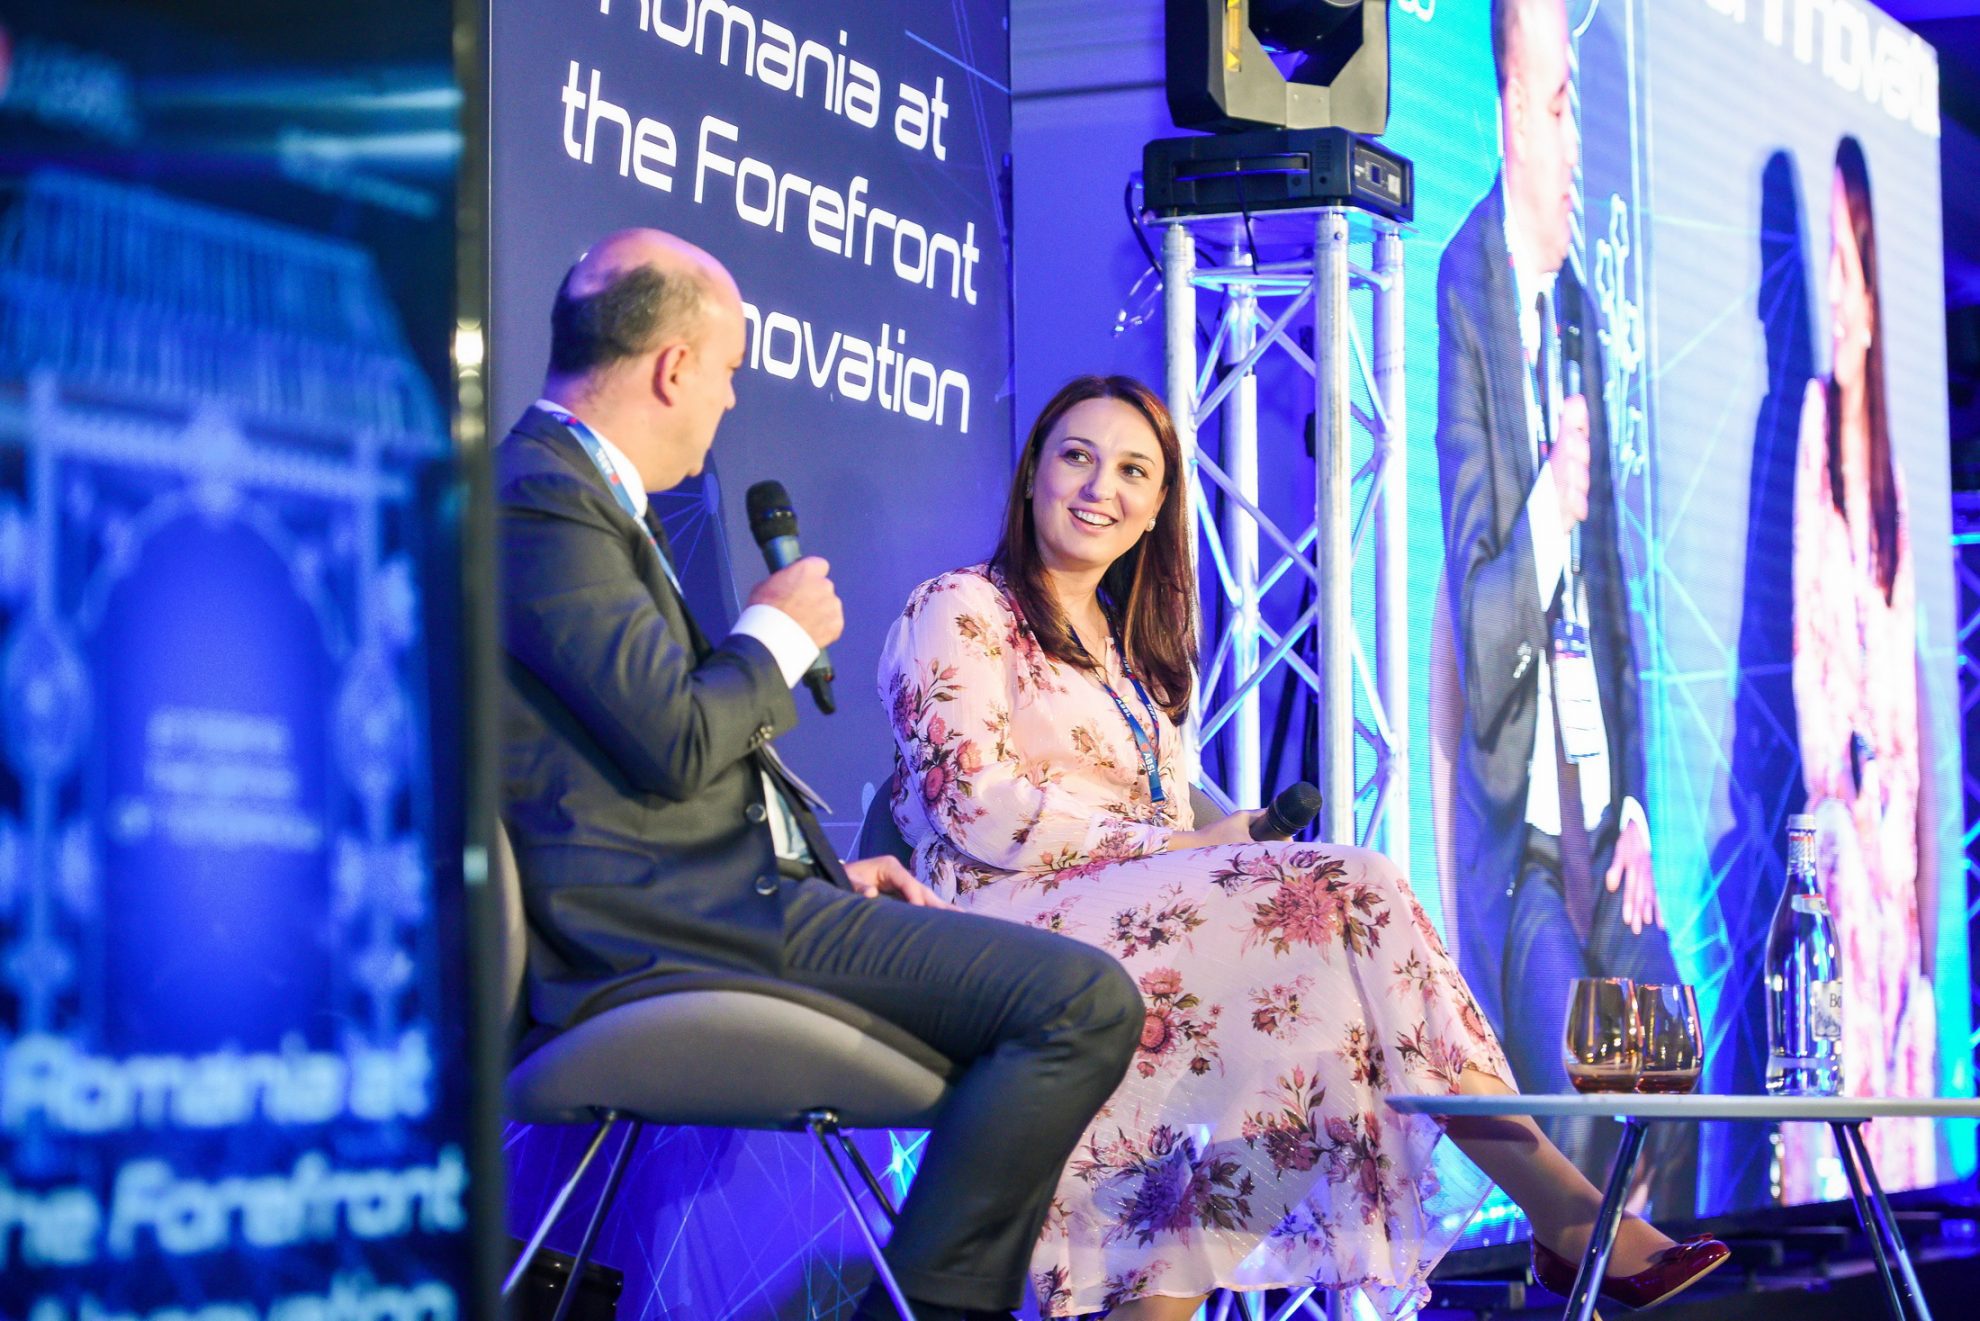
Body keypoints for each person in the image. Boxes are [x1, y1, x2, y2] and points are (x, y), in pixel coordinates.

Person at [878, 374, 1727, 1319]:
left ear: (1157, 508)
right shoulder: (959, 607)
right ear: (1034, 468)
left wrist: (1206, 841)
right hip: (997, 931)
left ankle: (1154, 1307)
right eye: (1077, 456)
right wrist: (1174, 846)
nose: (1098, 487)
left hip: (1130, 930)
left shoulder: (1134, 658)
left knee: (1329, 1022)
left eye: (1132, 471)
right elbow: (974, 804)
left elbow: (1165, 823)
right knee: (1354, 885)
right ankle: (1566, 1211)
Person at [499, 228, 1147, 1321]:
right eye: (728, 371)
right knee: (1082, 1001)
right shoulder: (542, 497)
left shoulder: (575, 498)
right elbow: (677, 739)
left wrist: (829, 870)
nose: (729, 401)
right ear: (673, 368)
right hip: (670, 935)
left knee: (1072, 999)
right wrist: (775, 633)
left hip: (731, 901)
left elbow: (642, 768)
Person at [1431, 0, 1693, 1209]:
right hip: (1524, 840)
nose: (1577, 142)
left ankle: (1649, 1274)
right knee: (1580, 1118)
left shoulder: (1579, 306)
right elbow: (1485, 624)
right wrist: (1550, 501)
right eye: (1556, 105)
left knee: (1676, 1087)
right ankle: (1575, 1274)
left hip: (1604, 820)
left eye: (1578, 105)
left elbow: (1615, 610)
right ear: (1508, 121)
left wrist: (1635, 800)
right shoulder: (1466, 288)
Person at [1787, 136, 1936, 1200]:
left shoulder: (1895, 480)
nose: (1835, 298)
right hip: (1841, 841)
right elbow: (1810, 659)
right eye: (1824, 266)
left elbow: (1912, 726)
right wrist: (1850, 789)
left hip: (1894, 850)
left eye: (1848, 268)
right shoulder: (1813, 428)